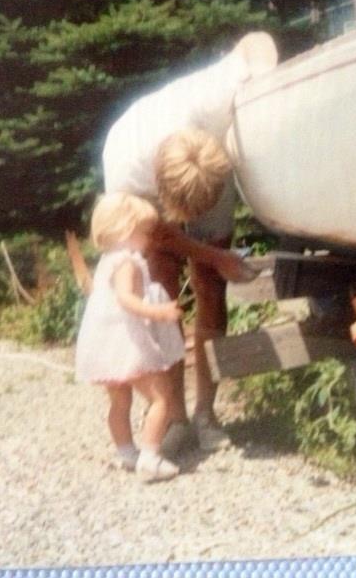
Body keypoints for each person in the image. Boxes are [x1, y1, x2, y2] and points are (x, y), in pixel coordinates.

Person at [101, 31, 278, 454]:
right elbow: (156, 233)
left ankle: (206, 414)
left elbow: (257, 44)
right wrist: (214, 253)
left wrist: (266, 82)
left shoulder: (212, 98)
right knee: (161, 293)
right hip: (145, 192)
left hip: (205, 168)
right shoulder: (125, 163)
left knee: (212, 287)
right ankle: (176, 416)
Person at [75, 192, 187, 483]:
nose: (150, 239)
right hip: (129, 343)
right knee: (162, 396)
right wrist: (158, 311)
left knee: (120, 401)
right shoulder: (128, 262)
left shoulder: (107, 261)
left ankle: (126, 452)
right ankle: (150, 457)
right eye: (145, 231)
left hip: (108, 346)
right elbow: (126, 299)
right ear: (126, 230)